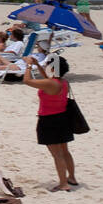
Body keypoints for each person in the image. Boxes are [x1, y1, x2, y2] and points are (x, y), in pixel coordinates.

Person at [25, 55, 78, 191]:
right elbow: (48, 80)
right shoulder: (63, 82)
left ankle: (63, 184)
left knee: (57, 154)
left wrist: (29, 65)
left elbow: (27, 80)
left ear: (53, 68)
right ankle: (71, 177)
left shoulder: (51, 83)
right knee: (65, 151)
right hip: (62, 119)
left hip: (49, 120)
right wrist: (37, 65)